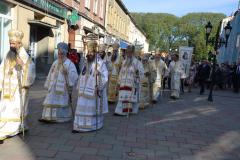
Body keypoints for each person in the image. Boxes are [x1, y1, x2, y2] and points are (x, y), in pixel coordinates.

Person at [0, 29, 36, 142]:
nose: (11, 45)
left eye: (13, 43)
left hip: (18, 90)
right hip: (7, 89)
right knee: (4, 108)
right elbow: (1, 69)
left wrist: (23, 66)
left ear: (19, 44)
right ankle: (4, 128)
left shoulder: (24, 56)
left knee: (14, 109)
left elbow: (31, 69)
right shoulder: (8, 55)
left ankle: (13, 128)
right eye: (10, 43)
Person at [73, 39, 108, 132]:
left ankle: (93, 125)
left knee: (91, 108)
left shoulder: (100, 63)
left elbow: (105, 76)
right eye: (88, 52)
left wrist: (99, 74)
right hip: (83, 90)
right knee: (81, 106)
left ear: (95, 52)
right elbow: (82, 74)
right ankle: (78, 126)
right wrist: (79, 86)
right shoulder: (86, 61)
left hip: (93, 90)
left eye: (91, 52)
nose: (89, 54)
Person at [39, 42, 78, 123]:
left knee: (61, 101)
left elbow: (74, 76)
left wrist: (67, 73)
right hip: (53, 87)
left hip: (62, 89)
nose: (60, 55)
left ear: (65, 53)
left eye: (61, 54)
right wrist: (48, 83)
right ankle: (48, 117)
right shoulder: (55, 62)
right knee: (50, 100)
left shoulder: (70, 64)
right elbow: (50, 73)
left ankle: (60, 118)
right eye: (59, 53)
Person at [114, 45, 144, 116]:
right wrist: (119, 82)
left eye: (130, 52)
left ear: (133, 53)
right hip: (123, 83)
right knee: (122, 97)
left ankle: (128, 110)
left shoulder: (137, 62)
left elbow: (141, 73)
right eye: (127, 52)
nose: (128, 54)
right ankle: (120, 111)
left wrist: (137, 73)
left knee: (129, 98)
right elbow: (121, 72)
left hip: (131, 84)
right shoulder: (124, 62)